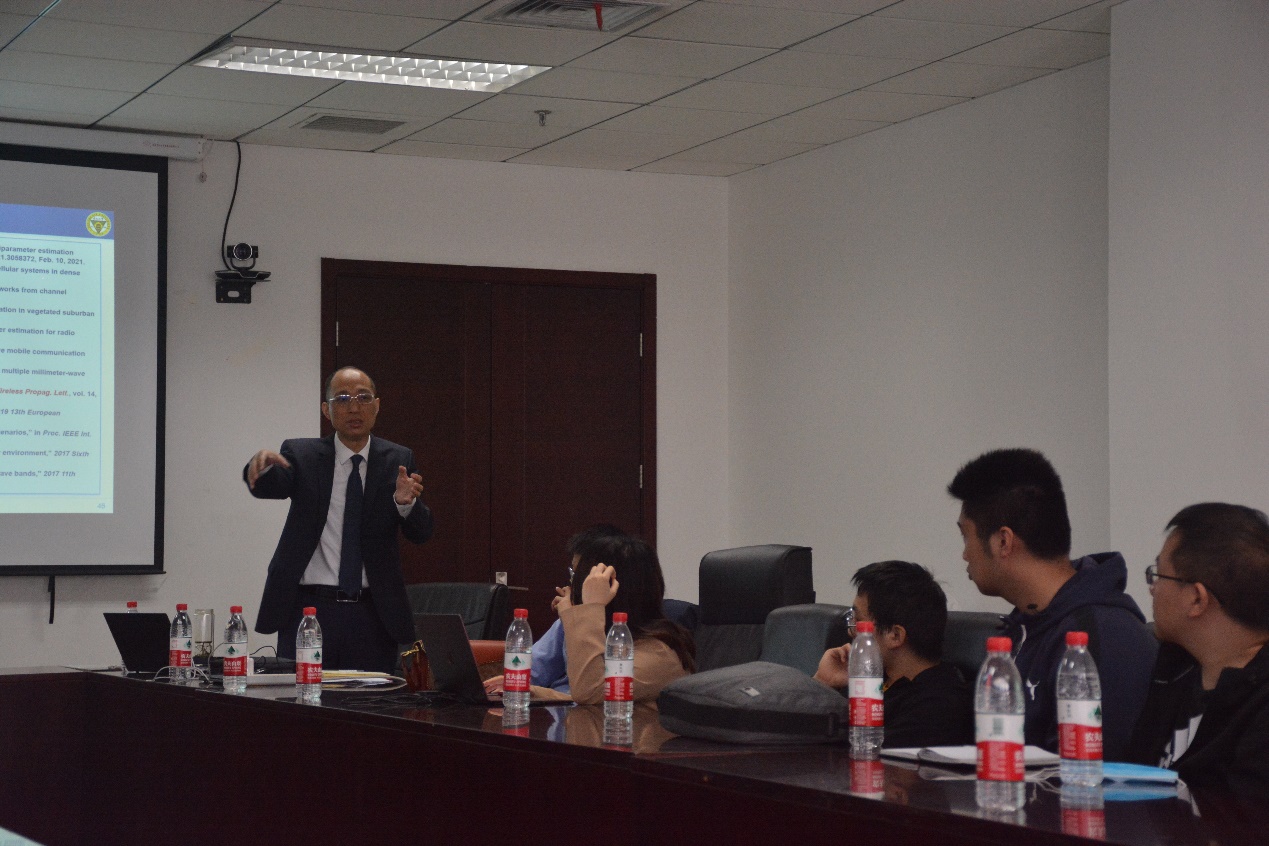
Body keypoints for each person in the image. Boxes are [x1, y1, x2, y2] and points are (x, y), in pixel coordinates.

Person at [947, 448, 1156, 759]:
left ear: (1003, 541)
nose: (964, 554)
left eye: (966, 536)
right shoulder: (1023, 628)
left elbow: (1089, 775)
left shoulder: (1103, 636)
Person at [244, 366, 433, 673]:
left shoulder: (398, 460)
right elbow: (271, 487)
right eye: (342, 399)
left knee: (370, 700)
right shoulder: (302, 455)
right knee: (304, 697)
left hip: (373, 614)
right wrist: (261, 468)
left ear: (377, 405)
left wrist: (405, 503)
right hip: (309, 611)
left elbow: (422, 532)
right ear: (326, 409)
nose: (354, 408)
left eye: (363, 397)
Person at [1126, 503, 1269, 791]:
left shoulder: (1260, 713)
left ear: (1197, 599)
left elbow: (1241, 814)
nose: (1152, 588)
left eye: (1159, 574)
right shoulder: (1174, 667)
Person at [487, 535, 694, 704]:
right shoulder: (601, 630)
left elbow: (590, 692)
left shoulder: (660, 653)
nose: (572, 584)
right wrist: (529, 690)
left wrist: (590, 607)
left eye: (578, 577)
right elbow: (586, 698)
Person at [813, 560, 974, 747]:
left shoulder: (936, 707)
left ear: (895, 635)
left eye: (858, 621)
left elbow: (851, 752)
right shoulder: (873, 682)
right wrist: (823, 682)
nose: (851, 631)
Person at [530, 524, 627, 693]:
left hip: (581, 707)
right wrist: (510, 683)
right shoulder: (570, 617)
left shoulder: (627, 631)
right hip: (554, 705)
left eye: (577, 575)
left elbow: (593, 694)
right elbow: (534, 671)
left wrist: (537, 693)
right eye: (572, 573)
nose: (572, 582)